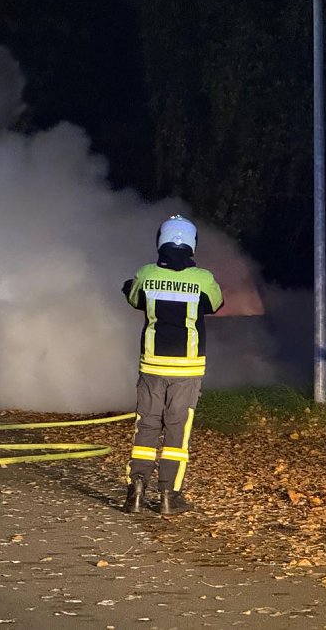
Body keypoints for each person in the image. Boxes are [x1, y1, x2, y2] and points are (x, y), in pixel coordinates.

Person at [121, 215, 223, 514]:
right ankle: (169, 495)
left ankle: (136, 490)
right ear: (191, 244)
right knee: (177, 432)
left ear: (161, 240)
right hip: (187, 368)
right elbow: (215, 304)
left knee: (147, 426)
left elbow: (133, 298)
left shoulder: (146, 274)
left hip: (152, 365)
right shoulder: (203, 278)